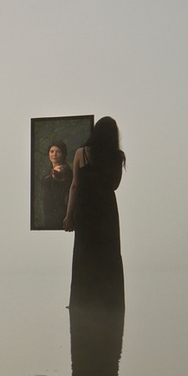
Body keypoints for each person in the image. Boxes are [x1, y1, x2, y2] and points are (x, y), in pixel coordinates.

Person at [63, 116, 125, 310]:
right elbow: (114, 185)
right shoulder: (117, 156)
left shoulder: (81, 153)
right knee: (108, 255)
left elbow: (74, 186)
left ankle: (82, 303)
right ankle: (109, 303)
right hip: (107, 211)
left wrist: (69, 215)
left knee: (85, 254)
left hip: (86, 210)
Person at [40, 140, 72, 228]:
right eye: (52, 151)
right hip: (48, 213)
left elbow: (60, 171)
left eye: (58, 152)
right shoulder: (48, 171)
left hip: (59, 212)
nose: (54, 154)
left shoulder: (64, 169)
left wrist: (57, 172)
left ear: (63, 154)